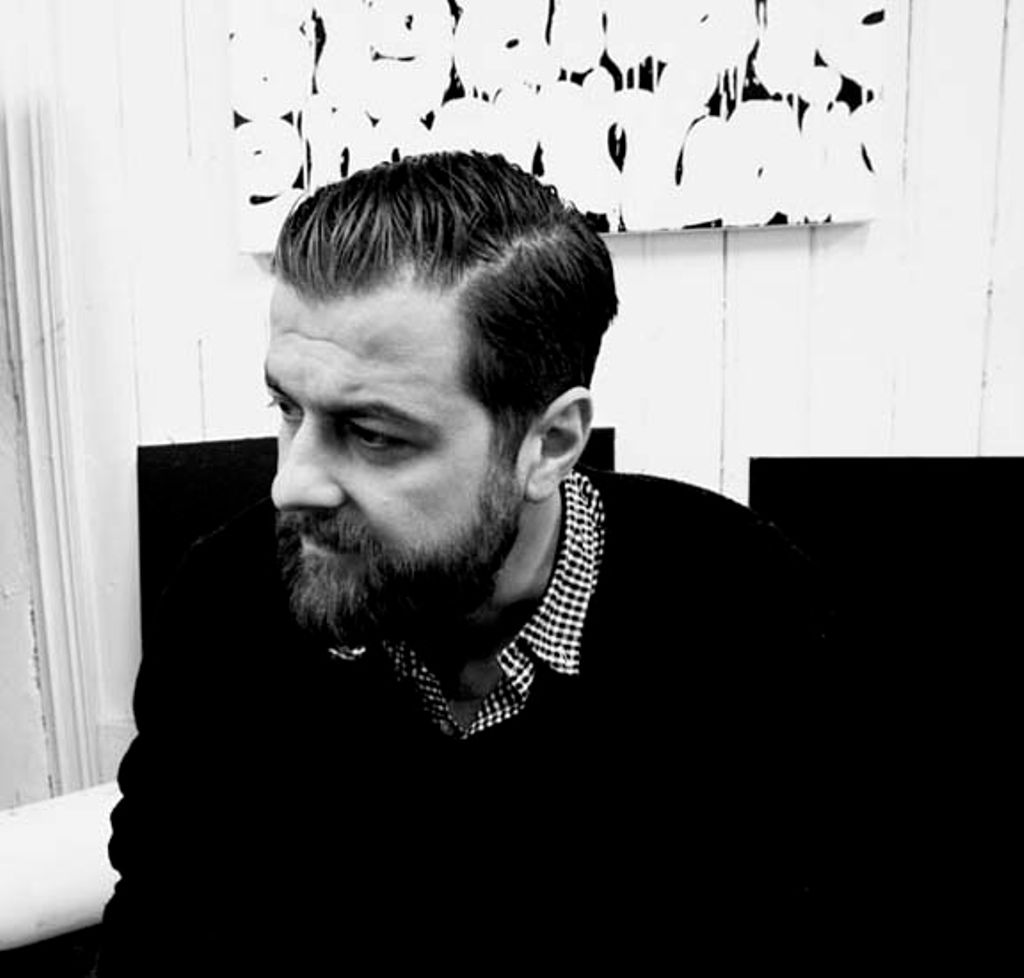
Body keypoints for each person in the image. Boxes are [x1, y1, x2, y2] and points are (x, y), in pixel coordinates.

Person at [98, 151, 837, 974]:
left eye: (372, 434)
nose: (291, 485)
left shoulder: (749, 613)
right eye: (288, 408)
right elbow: (156, 933)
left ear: (548, 444)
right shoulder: (225, 600)